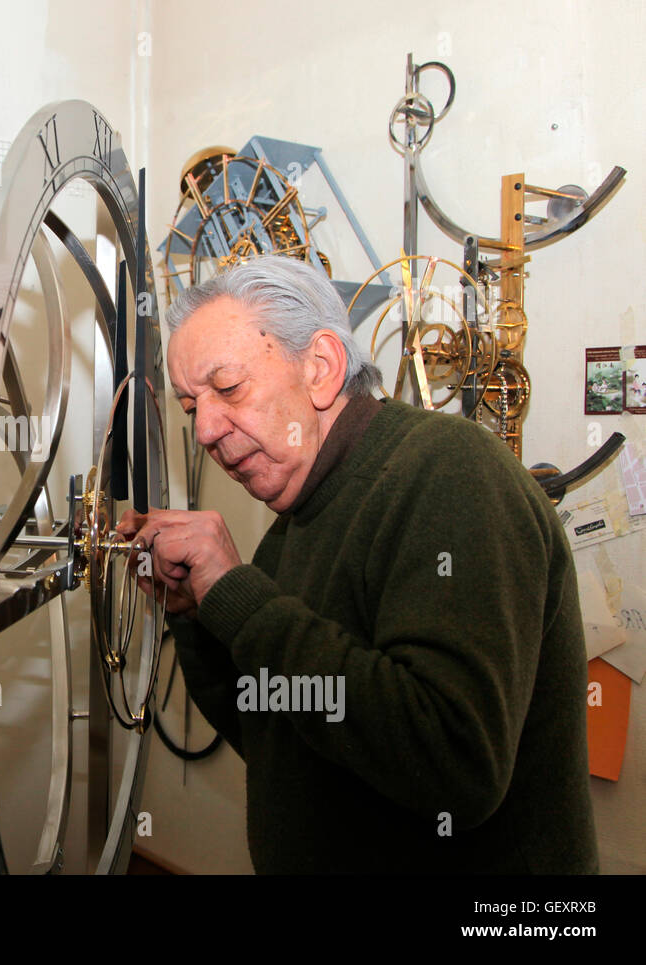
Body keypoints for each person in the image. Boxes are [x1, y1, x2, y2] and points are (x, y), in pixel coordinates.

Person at [119, 255, 597, 873]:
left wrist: (239, 593)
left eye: (229, 388)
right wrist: (200, 613)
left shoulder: (451, 472)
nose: (207, 429)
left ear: (320, 369)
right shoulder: (297, 520)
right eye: (191, 407)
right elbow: (279, 736)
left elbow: (454, 764)